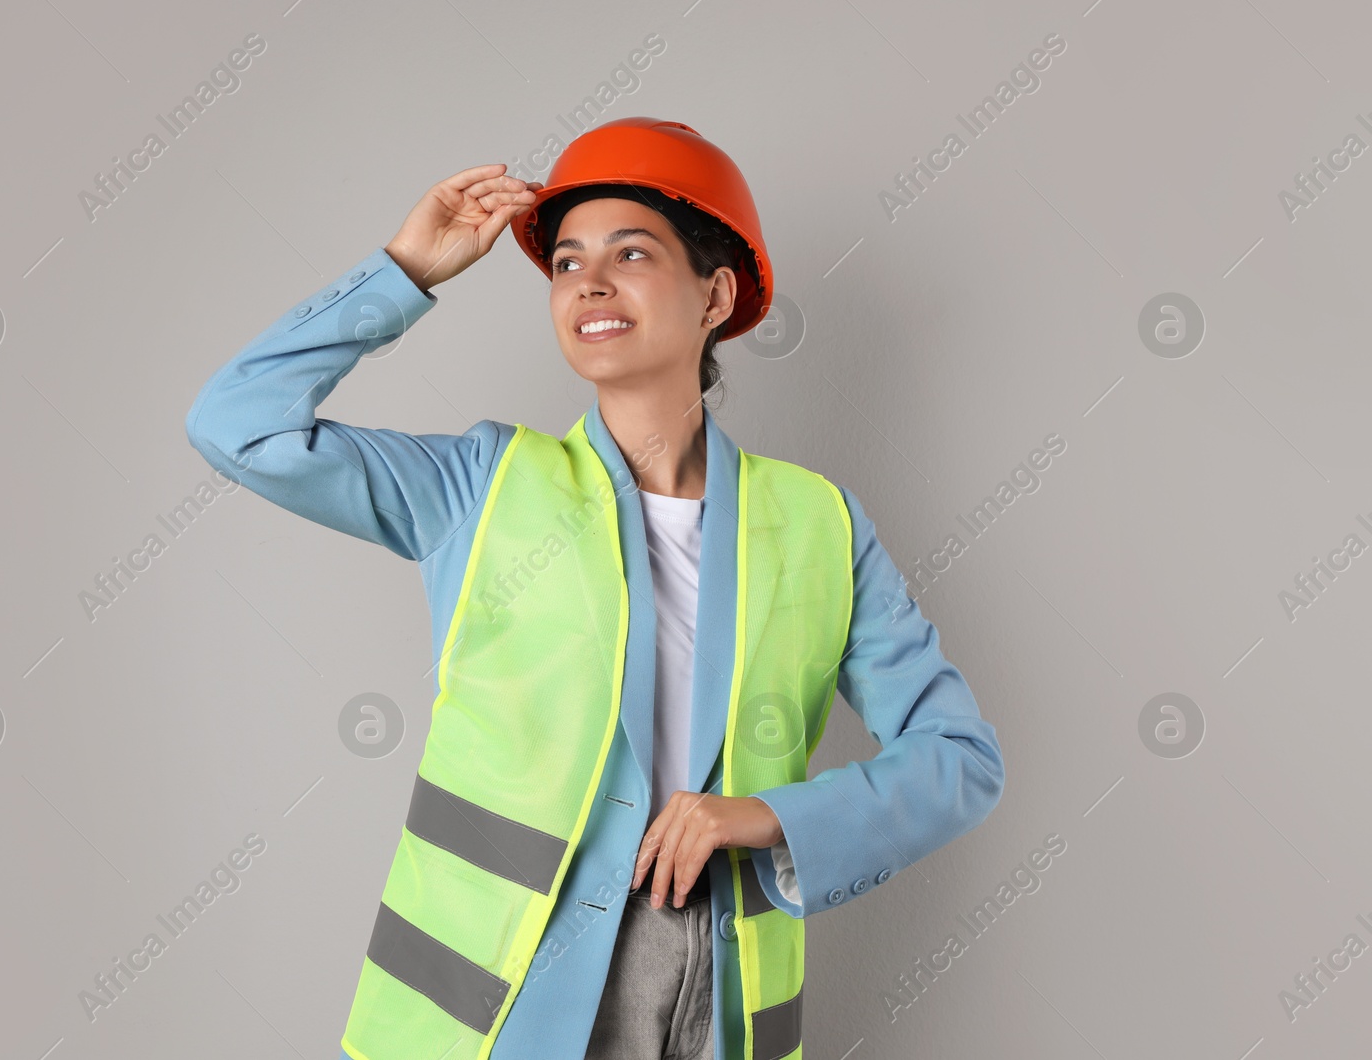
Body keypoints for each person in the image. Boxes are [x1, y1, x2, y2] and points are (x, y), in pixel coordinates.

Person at [185, 117, 1005, 1060]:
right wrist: (404, 269)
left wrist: (768, 816)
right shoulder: (483, 486)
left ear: (716, 294)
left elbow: (958, 758)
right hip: (498, 1000)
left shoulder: (820, 523)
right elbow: (235, 423)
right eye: (567, 263)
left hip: (717, 991)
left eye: (632, 253)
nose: (591, 284)